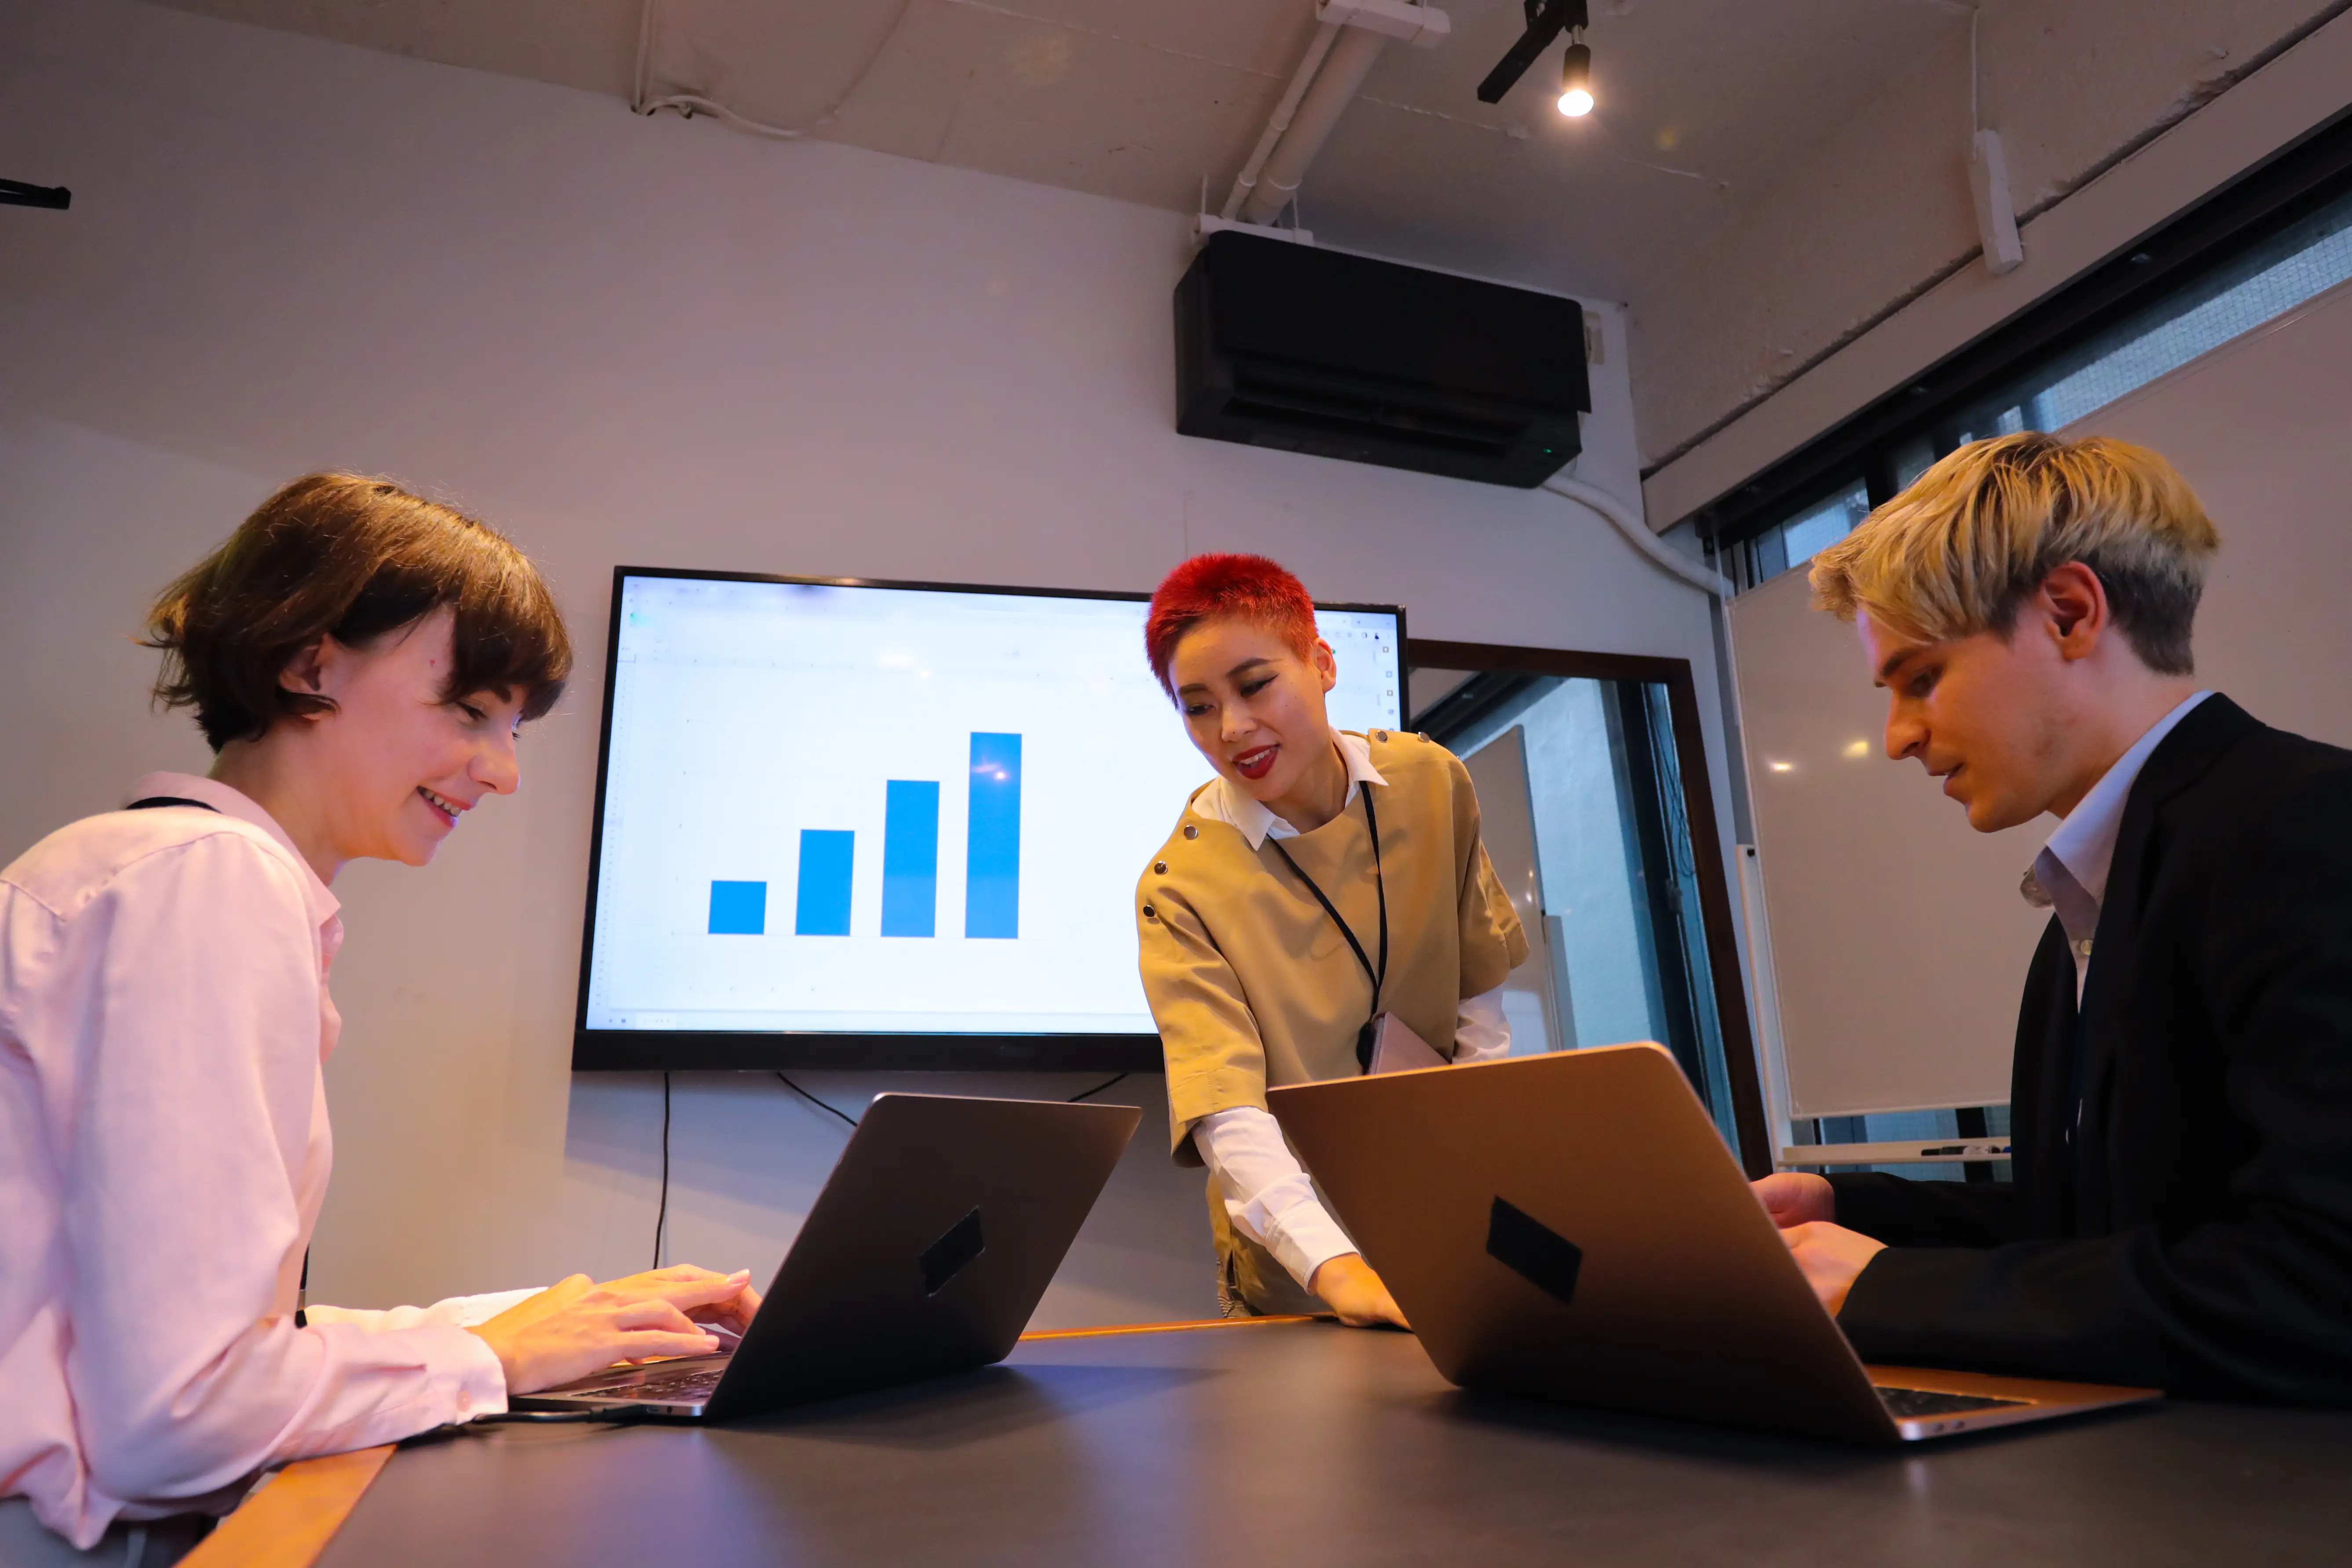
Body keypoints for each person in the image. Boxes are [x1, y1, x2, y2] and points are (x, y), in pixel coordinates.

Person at [0, 475, 763, 1564]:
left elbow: (196, 1362)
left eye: (513, 728)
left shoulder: (160, 869)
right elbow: (174, 1422)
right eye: (470, 710)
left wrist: (545, 1324)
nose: (500, 771)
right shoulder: (210, 882)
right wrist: (492, 1359)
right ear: (311, 663)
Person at [1753, 432, 2352, 1402]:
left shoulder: (2305, 829)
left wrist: (1883, 1287)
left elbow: (2321, 1278)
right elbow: (2086, 1233)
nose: (1897, 737)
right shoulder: (2082, 908)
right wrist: (1836, 1205)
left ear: (2069, 614)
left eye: (1919, 678)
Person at [1133, 555, 1527, 1326]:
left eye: (1254, 686)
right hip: (1303, 1269)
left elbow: (1476, 1001)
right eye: (1198, 706)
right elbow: (1228, 1115)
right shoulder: (1177, 888)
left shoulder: (1430, 779)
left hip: (1448, 1221)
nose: (1233, 728)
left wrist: (1483, 1169)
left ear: (1321, 663)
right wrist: (1342, 1274)